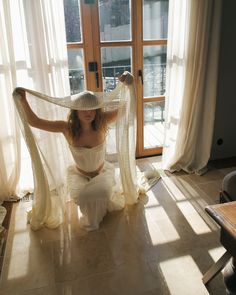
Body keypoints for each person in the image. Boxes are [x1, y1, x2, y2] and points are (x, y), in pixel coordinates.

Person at [15, 72, 134, 231]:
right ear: (75, 111)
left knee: (100, 194)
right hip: (78, 174)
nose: (88, 113)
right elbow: (35, 122)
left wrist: (129, 85)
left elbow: (126, 108)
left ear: (97, 109)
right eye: (83, 109)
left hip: (102, 172)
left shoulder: (103, 122)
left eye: (92, 108)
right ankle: (94, 211)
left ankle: (97, 211)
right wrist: (23, 100)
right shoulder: (67, 128)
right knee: (84, 197)